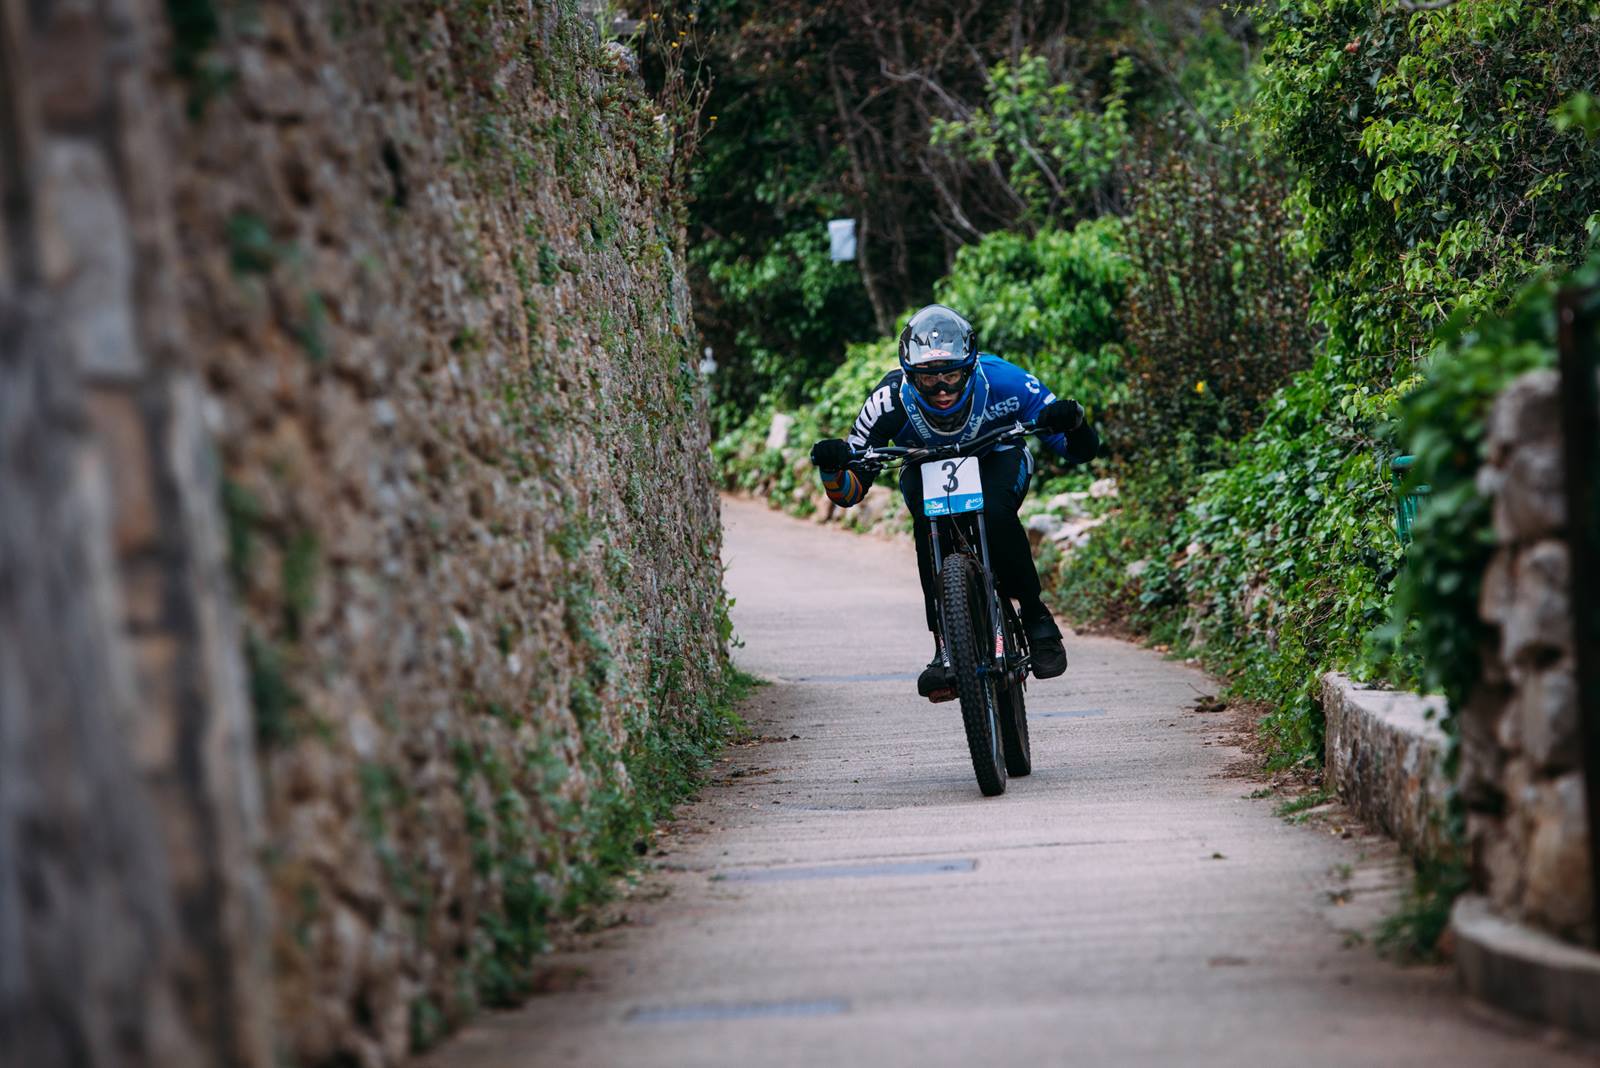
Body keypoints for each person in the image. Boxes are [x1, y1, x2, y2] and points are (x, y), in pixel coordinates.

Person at [808, 304, 1099, 699]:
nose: (942, 389)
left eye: (952, 375)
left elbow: (1077, 450)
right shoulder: (887, 400)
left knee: (995, 512)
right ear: (909, 374)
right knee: (926, 527)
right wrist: (832, 468)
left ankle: (1035, 615)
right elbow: (850, 491)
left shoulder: (1006, 380)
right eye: (928, 379)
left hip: (996, 455)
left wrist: (1075, 423)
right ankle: (943, 646)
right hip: (923, 465)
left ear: (971, 366)